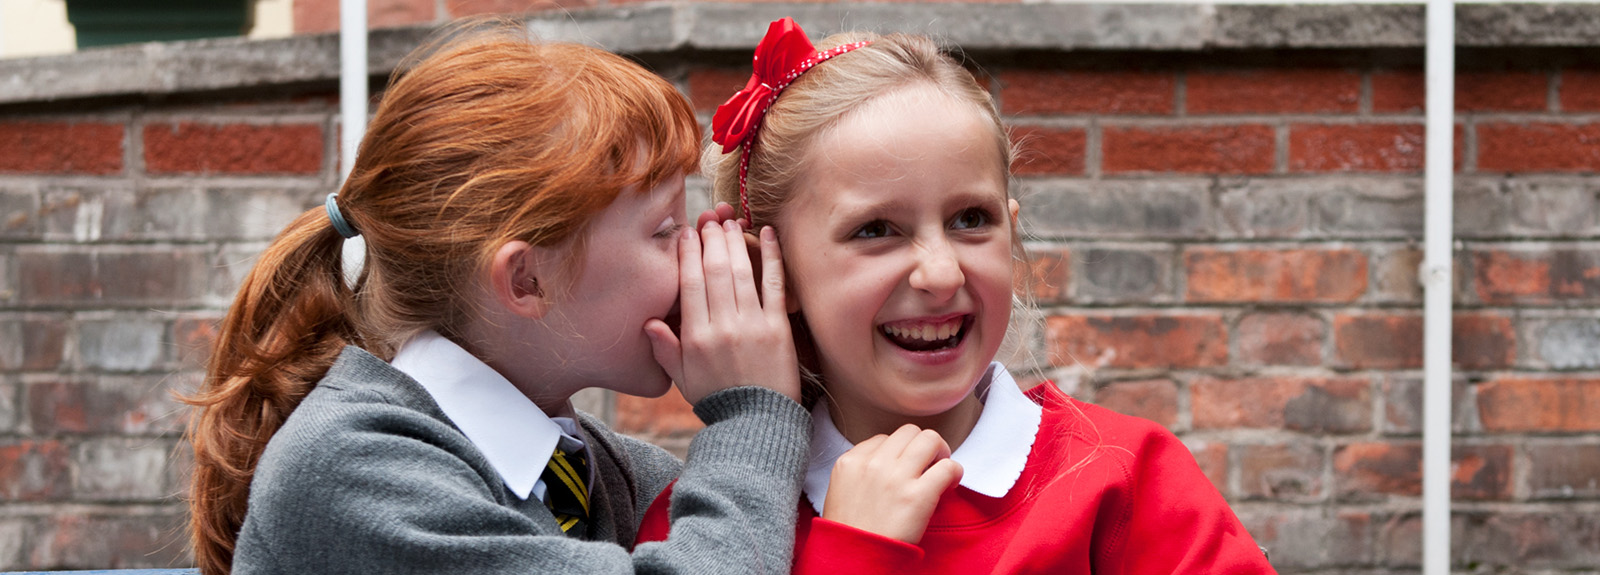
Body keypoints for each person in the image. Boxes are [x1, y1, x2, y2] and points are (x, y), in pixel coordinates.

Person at [636, 19, 1276, 574]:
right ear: (772, 271)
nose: (940, 274)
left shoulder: (1127, 477)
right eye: (876, 230)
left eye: (971, 219)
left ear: (1012, 231)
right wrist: (854, 554)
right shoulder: (708, 531)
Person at [184, 24, 809, 575]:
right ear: (526, 281)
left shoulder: (605, 476)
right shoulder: (352, 471)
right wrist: (753, 413)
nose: (703, 248)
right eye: (666, 229)